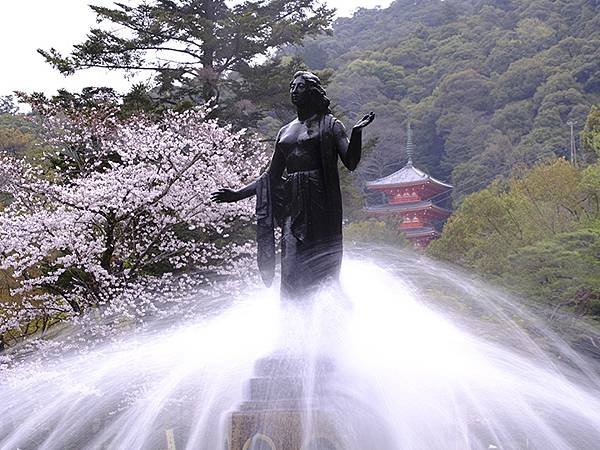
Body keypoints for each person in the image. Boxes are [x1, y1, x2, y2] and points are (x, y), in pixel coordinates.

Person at [212, 71, 374, 299]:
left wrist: (356, 133)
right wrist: (236, 195)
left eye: (299, 87)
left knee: (320, 259)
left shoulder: (331, 125)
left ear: (312, 91)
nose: (294, 91)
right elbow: (271, 176)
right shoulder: (284, 131)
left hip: (320, 202)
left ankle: (327, 310)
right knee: (290, 258)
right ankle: (291, 313)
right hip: (294, 202)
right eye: (292, 87)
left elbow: (351, 162)